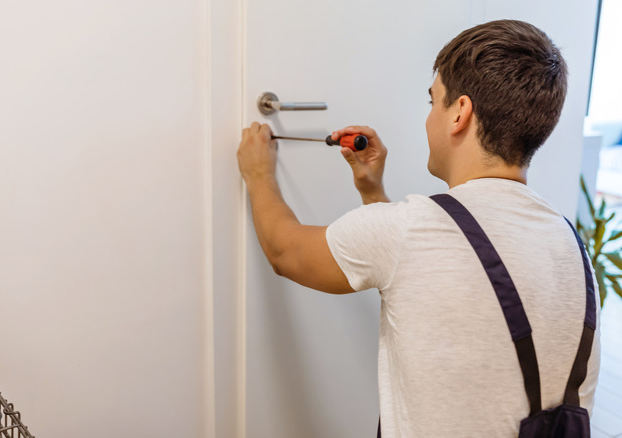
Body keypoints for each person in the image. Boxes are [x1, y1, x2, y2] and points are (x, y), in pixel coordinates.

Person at [237, 19, 600, 437]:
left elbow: (287, 253)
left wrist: (259, 174)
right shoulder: (571, 245)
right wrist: (373, 190)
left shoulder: (412, 231)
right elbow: (431, 283)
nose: (429, 119)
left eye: (434, 102)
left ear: (459, 113)